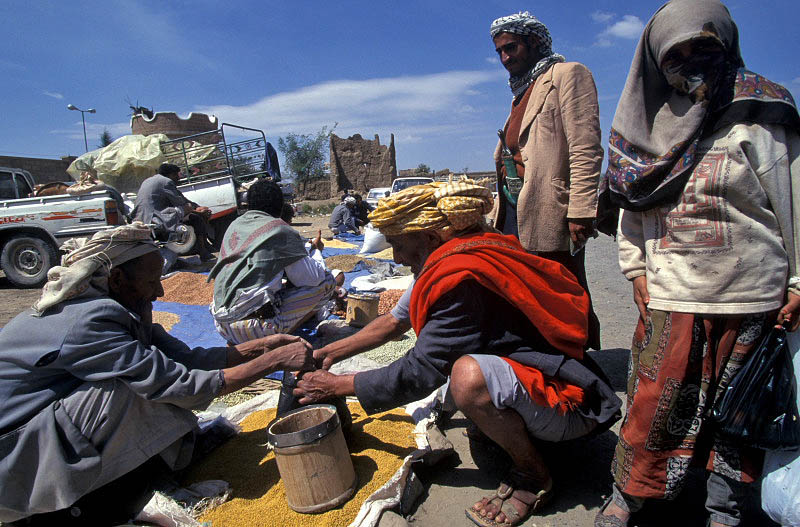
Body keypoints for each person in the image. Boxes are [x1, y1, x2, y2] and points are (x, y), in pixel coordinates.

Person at [295, 179, 621, 527]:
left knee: (466, 377)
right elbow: (393, 322)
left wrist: (334, 386)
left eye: (398, 246)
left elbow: (420, 371)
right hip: (534, 379)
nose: (396, 258)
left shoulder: (461, 276)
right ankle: (505, 420)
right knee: (460, 376)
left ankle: (534, 475)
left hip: (567, 403)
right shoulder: (449, 254)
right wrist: (327, 354)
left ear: (431, 238)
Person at [595, 2, 800, 526]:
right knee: (652, 409)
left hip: (752, 296)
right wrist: (636, 269)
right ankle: (631, 497)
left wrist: (799, 281)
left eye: (702, 47)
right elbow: (633, 208)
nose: (689, 61)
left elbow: (794, 199)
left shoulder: (762, 109)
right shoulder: (647, 123)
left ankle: (723, 511)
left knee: (738, 414)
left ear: (726, 45)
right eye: (675, 53)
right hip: (671, 294)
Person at [0, 223, 313, 525]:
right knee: (132, 389)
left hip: (37, 432)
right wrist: (274, 362)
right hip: (14, 462)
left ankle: (163, 462)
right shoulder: (92, 319)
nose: (161, 290)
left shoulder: (115, 306)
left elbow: (190, 358)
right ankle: (91, 504)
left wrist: (264, 346)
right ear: (118, 279)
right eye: (152, 283)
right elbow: (175, 383)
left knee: (153, 373)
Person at [489, 12, 603, 350]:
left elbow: (585, 147)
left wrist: (581, 210)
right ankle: (541, 358)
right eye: (500, 52)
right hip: (515, 206)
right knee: (526, 288)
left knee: (560, 289)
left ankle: (573, 360)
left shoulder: (568, 75)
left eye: (511, 48)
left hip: (549, 204)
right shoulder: (522, 91)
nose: (505, 58)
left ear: (535, 42)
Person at [209, 179, 338, 345]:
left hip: (221, 325)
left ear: (248, 204)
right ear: (280, 206)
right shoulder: (279, 229)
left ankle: (241, 341)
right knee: (327, 282)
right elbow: (312, 279)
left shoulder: (234, 225)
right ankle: (278, 340)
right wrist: (317, 251)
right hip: (253, 328)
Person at [132, 163, 215, 261]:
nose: (178, 178)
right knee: (195, 217)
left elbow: (182, 198)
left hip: (140, 216)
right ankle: (203, 251)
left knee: (191, 210)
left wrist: (197, 207)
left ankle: (204, 246)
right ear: (170, 174)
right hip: (155, 217)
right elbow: (181, 202)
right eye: (176, 175)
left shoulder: (151, 180)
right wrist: (200, 212)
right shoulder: (166, 182)